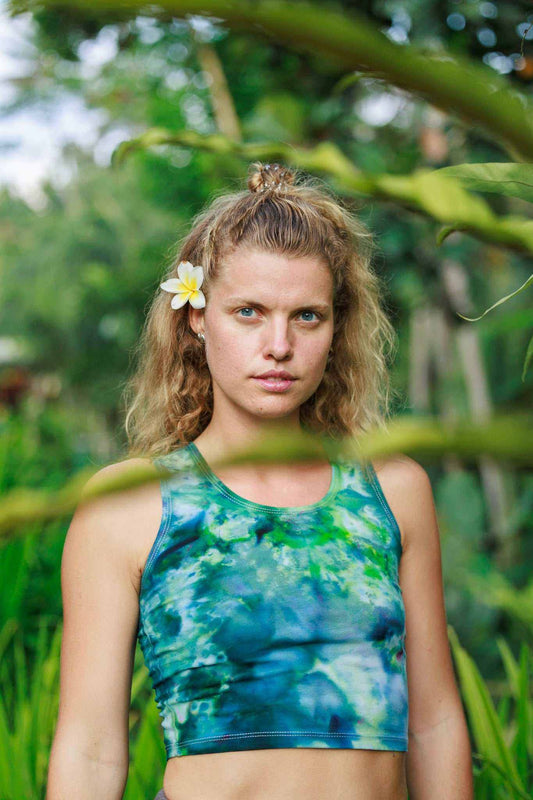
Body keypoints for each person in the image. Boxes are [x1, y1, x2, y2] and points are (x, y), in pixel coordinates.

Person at [46, 162, 474, 800]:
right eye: (249, 312)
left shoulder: (391, 490)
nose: (279, 344)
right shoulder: (127, 505)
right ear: (197, 318)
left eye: (307, 316)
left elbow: (435, 721)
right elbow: (89, 747)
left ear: (335, 328)